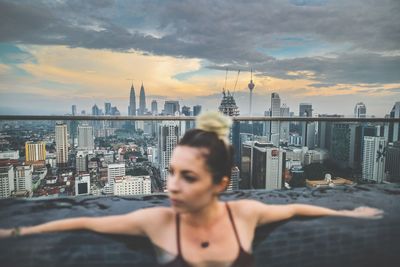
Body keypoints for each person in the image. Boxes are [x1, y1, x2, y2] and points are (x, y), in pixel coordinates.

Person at [0, 112, 383, 267]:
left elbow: (298, 209)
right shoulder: (156, 220)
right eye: (171, 173)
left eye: (188, 177)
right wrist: (17, 231)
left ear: (220, 183)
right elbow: (82, 222)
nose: (171, 186)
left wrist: (350, 213)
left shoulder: (244, 213)